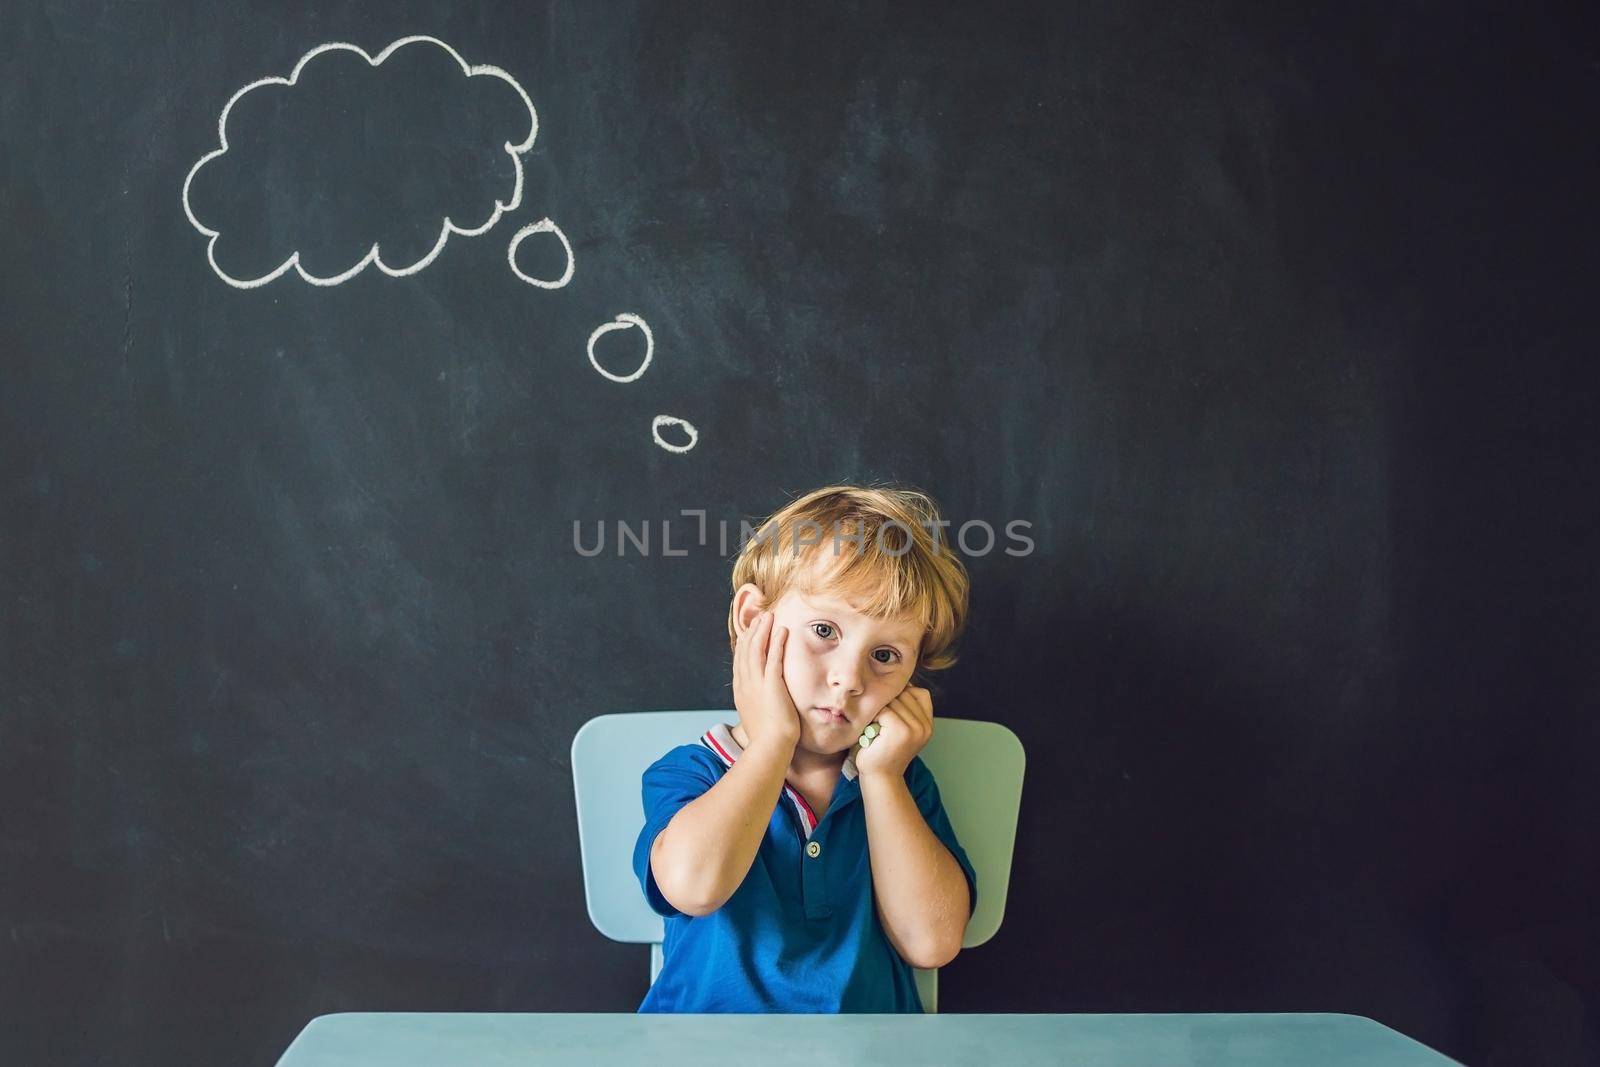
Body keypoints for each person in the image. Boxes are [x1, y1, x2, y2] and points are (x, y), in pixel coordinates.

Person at [633, 484, 979, 1012]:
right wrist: (773, 739)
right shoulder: (692, 771)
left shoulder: (901, 781)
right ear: (753, 620)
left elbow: (930, 943)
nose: (849, 679)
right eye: (824, 630)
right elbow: (694, 887)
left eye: (885, 655)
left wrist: (883, 778)